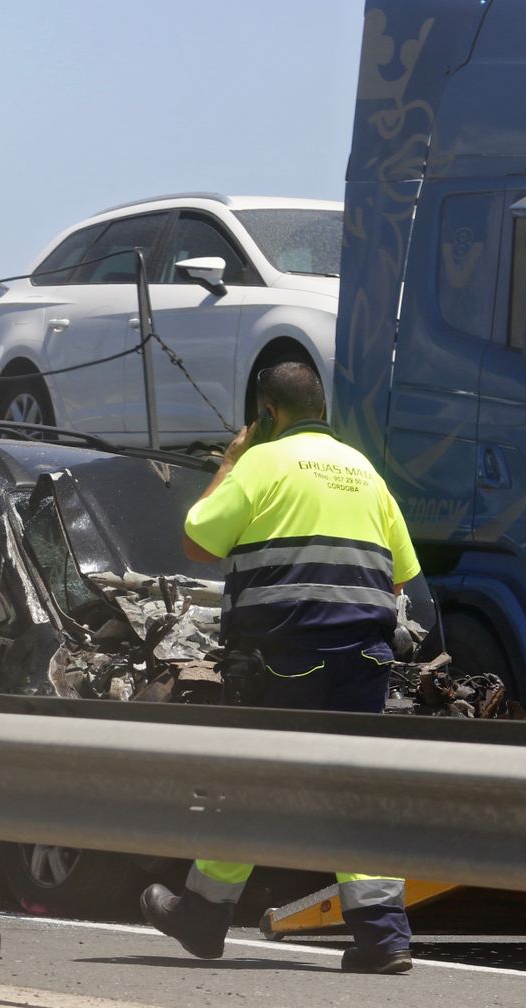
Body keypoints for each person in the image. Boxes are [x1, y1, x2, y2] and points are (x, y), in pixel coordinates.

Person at [139, 362, 422, 976]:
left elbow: (197, 540)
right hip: (365, 661)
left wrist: (230, 462)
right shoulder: (365, 472)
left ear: (267, 413)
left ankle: (204, 916)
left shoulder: (262, 464)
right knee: (355, 791)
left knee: (252, 783)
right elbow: (400, 573)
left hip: (283, 659)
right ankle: (384, 938)